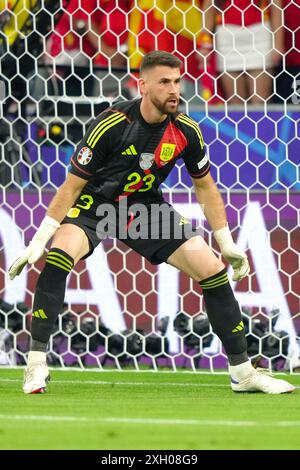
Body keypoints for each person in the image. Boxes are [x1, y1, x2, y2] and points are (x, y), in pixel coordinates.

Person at [9, 51, 294, 395]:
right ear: (142, 86)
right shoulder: (111, 125)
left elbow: (205, 186)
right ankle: (36, 364)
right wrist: (41, 238)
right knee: (59, 254)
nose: (174, 90)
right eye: (164, 82)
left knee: (213, 270)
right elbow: (72, 186)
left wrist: (226, 242)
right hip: (95, 206)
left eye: (177, 81)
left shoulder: (185, 131)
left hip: (143, 209)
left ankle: (243, 373)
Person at [200, 0, 284, 104]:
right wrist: (205, 43)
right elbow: (209, 6)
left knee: (260, 104)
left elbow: (276, 6)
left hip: (259, 35)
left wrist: (278, 43)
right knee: (236, 107)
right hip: (227, 38)